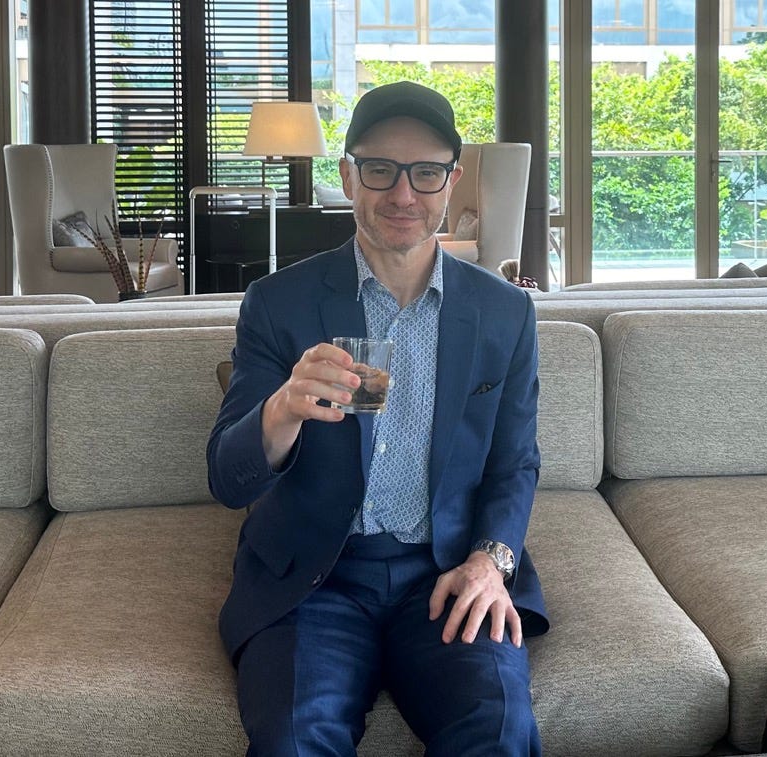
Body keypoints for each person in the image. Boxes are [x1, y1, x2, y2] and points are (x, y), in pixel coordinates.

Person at [207, 80, 548, 756]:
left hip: (446, 571)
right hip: (316, 578)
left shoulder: (504, 313)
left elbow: (515, 462)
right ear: (346, 176)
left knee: (500, 734)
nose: (403, 194)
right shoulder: (280, 303)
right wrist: (281, 409)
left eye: (425, 173)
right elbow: (228, 478)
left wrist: (490, 559)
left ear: (451, 181)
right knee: (294, 739)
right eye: (380, 170)